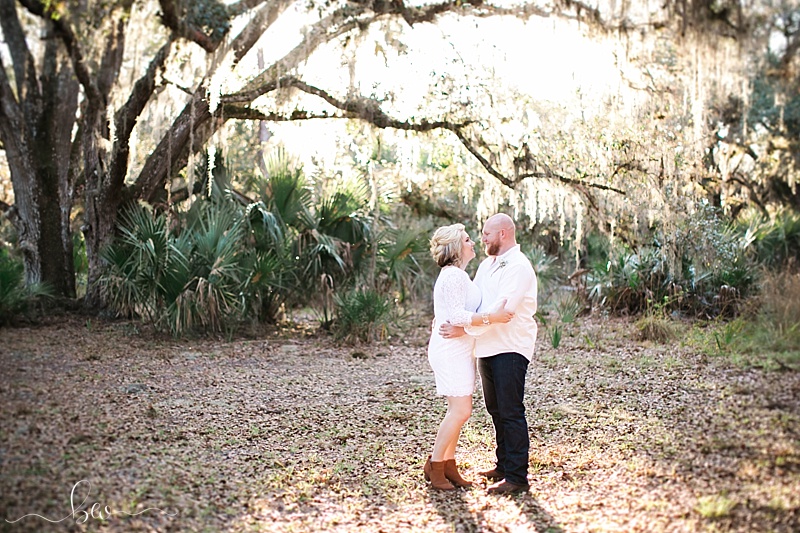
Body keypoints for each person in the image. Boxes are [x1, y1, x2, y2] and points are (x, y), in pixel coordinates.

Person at [440, 213, 538, 494]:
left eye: (486, 234)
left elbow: (502, 311)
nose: (481, 238)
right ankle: (503, 465)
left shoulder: (519, 266)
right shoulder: (485, 265)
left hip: (510, 346)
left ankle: (518, 477)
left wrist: (465, 329)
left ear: (503, 234)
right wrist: (457, 320)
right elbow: (478, 304)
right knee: (495, 410)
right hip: (486, 347)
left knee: (511, 411)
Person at [424, 223, 514, 491]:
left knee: (461, 411)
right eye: (467, 239)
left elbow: (460, 314)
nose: (473, 242)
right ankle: (435, 465)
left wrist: (473, 322)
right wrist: (493, 317)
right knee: (460, 410)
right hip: (450, 349)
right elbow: (457, 315)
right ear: (455, 247)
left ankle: (449, 465)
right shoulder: (452, 275)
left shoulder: (460, 275)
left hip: (462, 347)